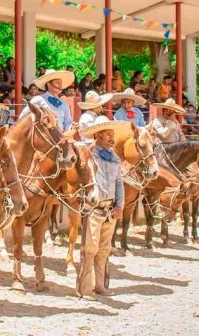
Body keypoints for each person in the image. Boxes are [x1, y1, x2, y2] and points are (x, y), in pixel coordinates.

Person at [76, 116, 127, 301]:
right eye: (108, 133)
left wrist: (120, 203)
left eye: (112, 134)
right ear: (98, 135)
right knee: (89, 249)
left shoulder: (114, 157)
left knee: (104, 249)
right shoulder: (89, 153)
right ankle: (85, 288)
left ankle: (100, 285)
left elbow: (119, 182)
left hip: (110, 208)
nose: (112, 137)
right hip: (94, 207)